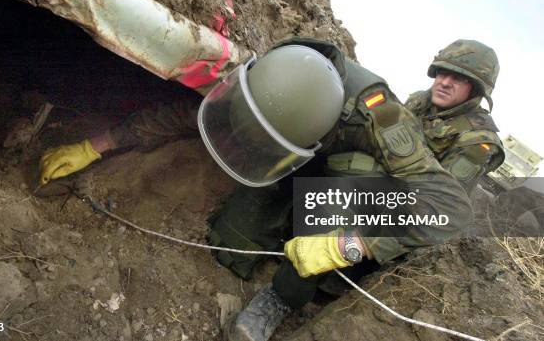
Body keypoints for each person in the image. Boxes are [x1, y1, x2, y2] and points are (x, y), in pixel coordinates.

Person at [38, 38, 473, 341]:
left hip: (357, 182)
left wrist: (353, 244)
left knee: (342, 206)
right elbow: (186, 114)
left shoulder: (380, 118)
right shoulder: (275, 68)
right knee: (234, 240)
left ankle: (281, 300)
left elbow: (449, 207)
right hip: (301, 159)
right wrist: (98, 145)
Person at [404, 39, 505, 195]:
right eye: (442, 72)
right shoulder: (419, 101)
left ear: (476, 90)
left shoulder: (478, 140)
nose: (445, 83)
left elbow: (439, 200)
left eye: (459, 78)